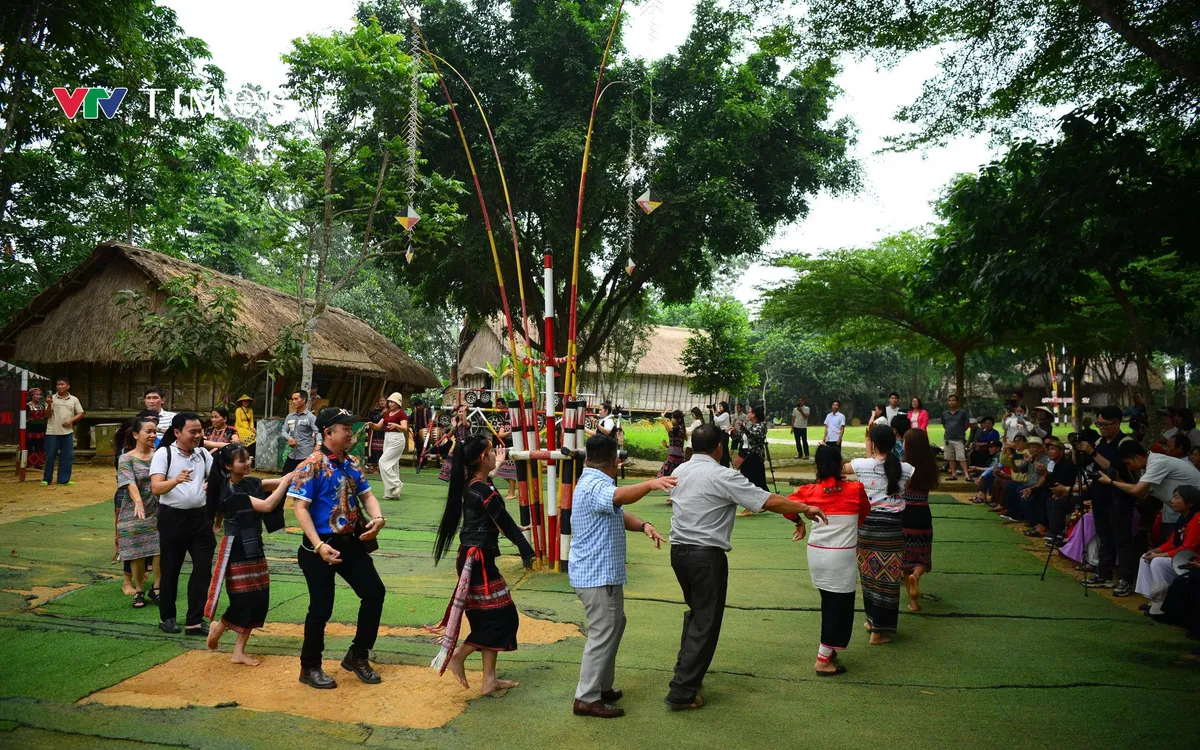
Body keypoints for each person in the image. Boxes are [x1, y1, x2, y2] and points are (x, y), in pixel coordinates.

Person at [664, 424, 827, 710]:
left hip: (679, 553)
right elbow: (767, 500)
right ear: (719, 447)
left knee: (696, 615)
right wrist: (804, 508)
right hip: (706, 556)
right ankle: (682, 691)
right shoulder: (722, 475)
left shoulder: (680, 471)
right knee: (705, 621)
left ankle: (685, 674)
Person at [569, 435, 672, 718]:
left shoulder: (591, 480)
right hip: (597, 575)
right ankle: (587, 697)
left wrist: (643, 525)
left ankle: (601, 687)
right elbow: (616, 498)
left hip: (595, 573)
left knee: (613, 625)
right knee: (604, 632)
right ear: (616, 461)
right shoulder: (596, 485)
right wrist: (651, 483)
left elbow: (616, 509)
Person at [290, 407, 387, 689]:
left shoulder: (353, 462)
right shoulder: (311, 465)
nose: (351, 432)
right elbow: (301, 508)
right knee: (321, 607)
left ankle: (357, 654)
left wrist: (378, 518)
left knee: (374, 593)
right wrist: (319, 545)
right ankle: (309, 667)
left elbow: (367, 495)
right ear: (328, 432)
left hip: (350, 543)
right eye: (345, 427)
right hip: (318, 546)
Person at [431, 435, 534, 695]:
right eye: (490, 452)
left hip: (474, 558)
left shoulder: (472, 484)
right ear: (481, 458)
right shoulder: (483, 489)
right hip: (478, 562)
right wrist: (525, 548)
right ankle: (459, 655)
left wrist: (496, 466)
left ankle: (489, 679)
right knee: (503, 616)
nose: (494, 455)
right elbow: (506, 522)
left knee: (487, 617)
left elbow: (494, 510)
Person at [204, 444, 293, 665]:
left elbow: (270, 484)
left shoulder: (250, 482)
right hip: (236, 548)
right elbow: (266, 505)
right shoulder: (231, 492)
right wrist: (285, 482)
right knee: (242, 599)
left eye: (248, 458)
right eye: (241, 460)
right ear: (228, 466)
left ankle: (238, 652)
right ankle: (220, 626)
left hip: (253, 546)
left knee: (258, 597)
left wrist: (296, 474)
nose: (248, 463)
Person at [785, 443, 870, 676]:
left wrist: (799, 522)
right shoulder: (855, 489)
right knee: (839, 609)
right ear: (840, 463)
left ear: (818, 465)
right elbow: (864, 514)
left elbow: (786, 506)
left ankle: (830, 650)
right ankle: (823, 659)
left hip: (817, 554)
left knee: (829, 602)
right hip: (841, 556)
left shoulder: (808, 491)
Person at [849, 424, 915, 644]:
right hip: (891, 529)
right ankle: (878, 630)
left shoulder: (860, 465)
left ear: (874, 443)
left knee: (868, 576)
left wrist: (868, 443)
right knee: (887, 581)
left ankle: (871, 622)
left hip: (866, 528)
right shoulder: (906, 469)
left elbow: (843, 468)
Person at [150, 412, 215, 635]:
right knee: (170, 570)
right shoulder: (164, 453)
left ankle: (194, 621)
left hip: (200, 520)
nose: (198, 435)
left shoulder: (203, 454)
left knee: (203, 569)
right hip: (172, 519)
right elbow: (156, 488)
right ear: (177, 432)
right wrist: (176, 480)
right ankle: (167, 617)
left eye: (200, 431)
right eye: (193, 432)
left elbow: (214, 480)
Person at [1075, 406, 1137, 594]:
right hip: (1099, 495)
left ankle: (1126, 579)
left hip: (1119, 496)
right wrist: (1077, 448)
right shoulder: (1101, 441)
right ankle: (1104, 574)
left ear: (1118, 423)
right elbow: (1081, 463)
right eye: (1099, 424)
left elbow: (1113, 468)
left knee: (1121, 538)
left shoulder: (1125, 443)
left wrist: (1092, 452)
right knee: (1104, 536)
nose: (1101, 428)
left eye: (1105, 424)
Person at [1100, 441, 1200, 549]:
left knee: (1188, 549)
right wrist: (1117, 480)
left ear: (1137, 457)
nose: (1128, 468)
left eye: (1128, 463)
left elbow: (1136, 490)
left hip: (1195, 508)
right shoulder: (1148, 466)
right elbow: (1142, 494)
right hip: (1186, 511)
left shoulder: (1157, 463)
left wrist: (1111, 482)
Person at [115, 416, 161, 609]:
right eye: (148, 431)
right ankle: (140, 589)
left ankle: (157, 588)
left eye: (154, 432)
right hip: (133, 510)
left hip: (158, 509)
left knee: (160, 549)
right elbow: (128, 482)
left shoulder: (160, 455)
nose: (152, 435)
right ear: (136, 435)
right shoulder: (125, 458)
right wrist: (139, 502)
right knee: (136, 550)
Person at [1133, 485, 1200, 615]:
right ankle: (1153, 599)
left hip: (1192, 559)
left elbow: (1188, 548)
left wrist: (1162, 555)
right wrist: (1157, 550)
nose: (1172, 501)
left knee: (1158, 562)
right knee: (1145, 557)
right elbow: (1172, 542)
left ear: (1190, 502)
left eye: (1177, 497)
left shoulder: (1197, 519)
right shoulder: (1183, 517)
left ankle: (1162, 602)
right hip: (1180, 556)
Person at [901, 428, 939, 613]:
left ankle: (913, 603)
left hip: (905, 513)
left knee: (906, 557)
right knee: (922, 554)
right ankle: (917, 574)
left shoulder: (904, 466)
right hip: (923, 513)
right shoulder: (930, 466)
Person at [1032, 438, 1078, 543]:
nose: (1049, 452)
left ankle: (1056, 533)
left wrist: (1060, 492)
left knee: (1055, 501)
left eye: (1052, 449)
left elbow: (1063, 483)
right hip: (1062, 492)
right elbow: (1053, 483)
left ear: (1061, 452)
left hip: (1072, 493)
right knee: (1045, 497)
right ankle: (1047, 528)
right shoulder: (1057, 464)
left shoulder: (1066, 464)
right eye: (1048, 449)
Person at [42, 376, 84, 487]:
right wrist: (49, 404)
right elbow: (47, 415)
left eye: (62, 384)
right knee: (50, 456)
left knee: (67, 456)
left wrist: (71, 420)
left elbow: (80, 413)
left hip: (67, 432)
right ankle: (47, 479)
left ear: (68, 386)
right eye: (58, 384)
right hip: (52, 432)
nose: (59, 386)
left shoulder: (74, 399)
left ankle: (63, 480)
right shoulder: (51, 398)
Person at [1000, 436, 1049, 524]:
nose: (1031, 449)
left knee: (1021, 490)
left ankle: (1032, 520)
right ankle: (1014, 514)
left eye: (1034, 447)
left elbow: (1041, 470)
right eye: (1030, 447)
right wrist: (1011, 462)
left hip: (1039, 486)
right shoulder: (1030, 458)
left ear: (1041, 448)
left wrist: (1031, 460)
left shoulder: (1045, 458)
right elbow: (1017, 470)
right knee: (1009, 485)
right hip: (1028, 483)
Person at [370, 393, 409, 500]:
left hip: (397, 439)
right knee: (392, 464)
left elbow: (404, 428)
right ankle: (392, 493)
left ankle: (396, 483)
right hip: (387, 438)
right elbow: (378, 426)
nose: (390, 403)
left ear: (397, 403)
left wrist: (396, 425)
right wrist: (371, 424)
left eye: (392, 402)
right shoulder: (387, 413)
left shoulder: (402, 414)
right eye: (389, 402)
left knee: (383, 462)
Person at [283, 390, 319, 474]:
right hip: (293, 454)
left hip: (306, 455)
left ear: (303, 400)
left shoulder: (311, 417)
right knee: (285, 475)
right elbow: (283, 431)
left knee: (304, 478)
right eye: (293, 399)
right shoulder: (290, 416)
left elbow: (318, 432)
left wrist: (318, 444)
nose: (293, 402)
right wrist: (289, 438)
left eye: (296, 399)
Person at [736, 406, 770, 493]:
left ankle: (767, 500)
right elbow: (740, 438)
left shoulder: (761, 426)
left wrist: (744, 428)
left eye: (750, 412)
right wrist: (733, 432)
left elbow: (755, 436)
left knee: (758, 483)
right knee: (746, 481)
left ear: (754, 414)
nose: (748, 414)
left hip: (755, 457)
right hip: (745, 456)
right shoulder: (750, 426)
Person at [941, 394, 969, 481]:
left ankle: (967, 475)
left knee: (961, 457)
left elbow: (966, 425)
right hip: (948, 438)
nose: (951, 402)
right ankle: (954, 474)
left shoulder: (963, 413)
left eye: (953, 400)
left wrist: (960, 431)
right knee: (950, 458)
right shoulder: (945, 413)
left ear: (957, 402)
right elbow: (944, 424)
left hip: (959, 438)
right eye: (949, 400)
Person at [658, 410, 687, 480]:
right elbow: (678, 443)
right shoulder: (681, 428)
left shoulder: (677, 428)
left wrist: (663, 417)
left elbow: (669, 430)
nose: (671, 420)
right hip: (678, 456)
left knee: (662, 477)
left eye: (673, 418)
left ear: (679, 419)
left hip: (673, 458)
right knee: (676, 477)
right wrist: (667, 446)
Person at [25, 387, 47, 470]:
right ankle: (27, 462)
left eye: (40, 395)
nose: (39, 396)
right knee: (30, 445)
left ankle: (38, 463)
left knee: (39, 445)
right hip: (31, 429)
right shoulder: (27, 406)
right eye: (37, 395)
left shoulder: (41, 406)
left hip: (40, 428)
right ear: (32, 396)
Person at [708, 402, 733, 467]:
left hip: (724, 432)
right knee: (723, 448)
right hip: (723, 432)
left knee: (723, 448)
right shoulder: (724, 414)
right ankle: (724, 462)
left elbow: (717, 421)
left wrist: (713, 412)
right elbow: (718, 422)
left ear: (724, 407)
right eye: (719, 406)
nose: (719, 408)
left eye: (721, 406)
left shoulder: (726, 414)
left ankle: (725, 463)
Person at [365, 396, 387, 471]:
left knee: (384, 449)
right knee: (375, 448)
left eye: (384, 400)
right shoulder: (374, 412)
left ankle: (382, 466)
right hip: (375, 433)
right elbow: (374, 420)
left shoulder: (389, 412)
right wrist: (382, 413)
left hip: (385, 432)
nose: (382, 402)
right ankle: (373, 466)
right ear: (377, 402)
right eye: (380, 400)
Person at [233, 395, 257, 459]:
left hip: (248, 427)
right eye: (244, 401)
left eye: (247, 401)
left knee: (256, 435)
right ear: (241, 402)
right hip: (239, 427)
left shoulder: (250, 410)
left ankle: (252, 454)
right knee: (251, 435)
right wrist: (248, 429)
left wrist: (252, 428)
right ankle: (249, 454)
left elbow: (251, 421)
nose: (246, 402)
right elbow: (239, 421)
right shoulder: (238, 410)